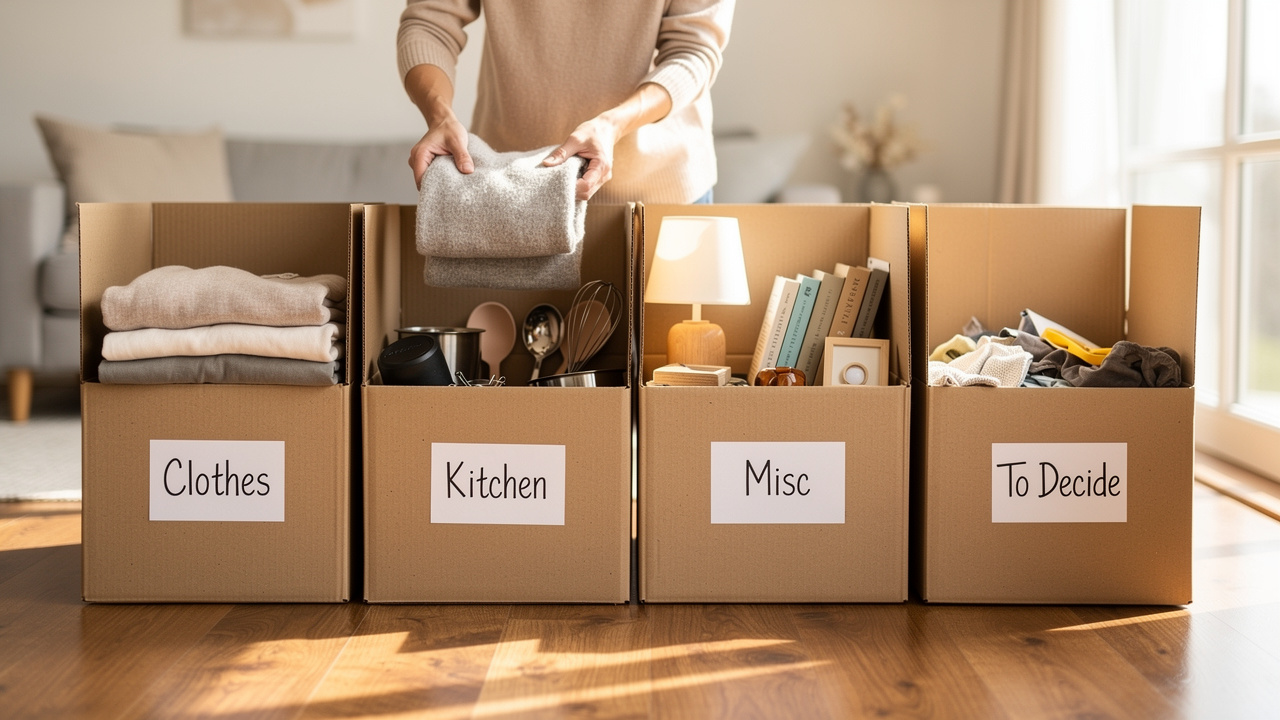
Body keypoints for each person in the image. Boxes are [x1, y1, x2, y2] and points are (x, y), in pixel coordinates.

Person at [397, 0, 734, 204]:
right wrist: (439, 116)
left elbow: (693, 50)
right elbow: (430, 22)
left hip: (657, 191)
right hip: (512, 189)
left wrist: (611, 125)